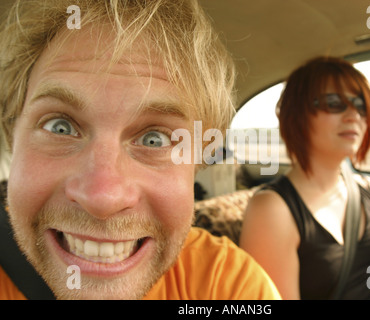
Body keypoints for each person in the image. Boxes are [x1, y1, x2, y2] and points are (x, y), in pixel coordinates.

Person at [0, 0, 281, 300]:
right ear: (12, 136)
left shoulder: (226, 286)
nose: (103, 198)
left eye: (154, 139)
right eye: (60, 127)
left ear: (197, 162)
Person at [239, 56, 370, 300]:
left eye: (361, 106)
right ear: (296, 114)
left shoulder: (367, 189)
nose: (354, 116)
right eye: (333, 102)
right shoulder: (273, 208)